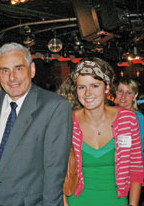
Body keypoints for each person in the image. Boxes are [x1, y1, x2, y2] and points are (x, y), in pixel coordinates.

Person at [0, 42, 73, 206]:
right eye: (5, 71)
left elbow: (54, 171)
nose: (12, 77)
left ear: (32, 70)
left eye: (19, 68)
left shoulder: (54, 107)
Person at [58, 57, 143, 206]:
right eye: (81, 87)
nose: (87, 93)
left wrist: (133, 204)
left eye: (95, 86)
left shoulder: (127, 119)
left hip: (116, 202)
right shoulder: (67, 122)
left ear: (107, 87)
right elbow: (57, 171)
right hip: (76, 202)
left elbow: (135, 167)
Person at [115, 78, 144, 206]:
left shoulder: (138, 119)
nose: (123, 96)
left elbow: (138, 151)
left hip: (132, 174)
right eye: (120, 91)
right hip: (114, 171)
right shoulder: (109, 114)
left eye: (128, 93)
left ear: (135, 95)